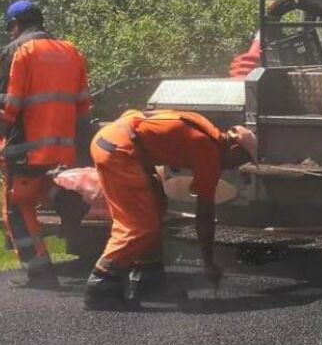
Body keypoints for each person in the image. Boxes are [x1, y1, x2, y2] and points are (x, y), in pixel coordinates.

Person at [83, 110, 257, 310]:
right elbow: (205, 214)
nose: (235, 168)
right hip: (119, 151)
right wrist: (208, 263)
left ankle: (149, 280)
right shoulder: (209, 150)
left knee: (156, 207)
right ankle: (101, 286)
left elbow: (141, 116)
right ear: (235, 148)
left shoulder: (204, 128)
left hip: (115, 140)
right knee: (140, 226)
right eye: (240, 160)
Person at [0, 0, 90, 289]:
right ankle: (63, 198)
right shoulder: (70, 51)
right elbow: (83, 106)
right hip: (62, 145)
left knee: (15, 206)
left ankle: (39, 271)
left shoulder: (17, 51)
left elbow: (8, 105)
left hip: (24, 145)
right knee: (35, 190)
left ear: (16, 25)